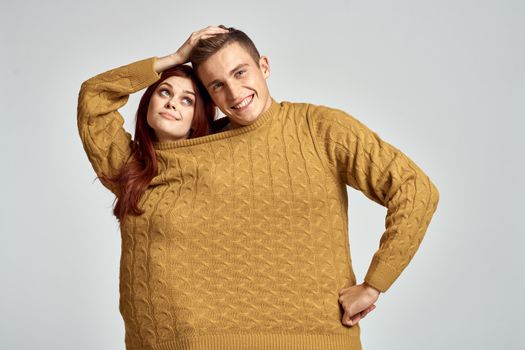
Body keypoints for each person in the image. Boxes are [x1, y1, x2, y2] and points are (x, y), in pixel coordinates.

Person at [79, 26, 439, 350]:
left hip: (312, 338)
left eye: (240, 72)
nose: (234, 92)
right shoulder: (150, 166)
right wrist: (174, 59)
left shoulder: (320, 129)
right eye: (216, 85)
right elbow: (94, 99)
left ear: (263, 66)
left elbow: (414, 190)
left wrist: (375, 284)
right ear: (210, 99)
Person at [77, 27, 225, 220]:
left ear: (197, 120)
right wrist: (176, 58)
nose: (171, 103)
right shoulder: (129, 168)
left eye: (187, 100)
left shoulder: (216, 166)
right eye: (165, 92)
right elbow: (94, 94)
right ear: (148, 103)